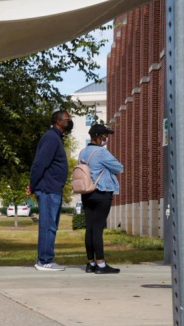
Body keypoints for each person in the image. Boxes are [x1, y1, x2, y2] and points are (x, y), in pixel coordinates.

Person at [29, 110, 73, 271]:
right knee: (48, 226)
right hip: (47, 189)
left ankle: (46, 259)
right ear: (58, 121)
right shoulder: (51, 137)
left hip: (53, 189)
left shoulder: (56, 138)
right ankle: (44, 260)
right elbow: (40, 163)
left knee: (51, 225)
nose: (69, 121)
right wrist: (32, 184)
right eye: (67, 119)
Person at [80, 123, 123, 274]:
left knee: (90, 228)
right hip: (102, 193)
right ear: (98, 137)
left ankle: (90, 263)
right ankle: (101, 265)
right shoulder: (102, 153)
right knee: (98, 229)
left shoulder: (83, 152)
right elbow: (119, 167)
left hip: (86, 193)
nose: (106, 139)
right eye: (105, 136)